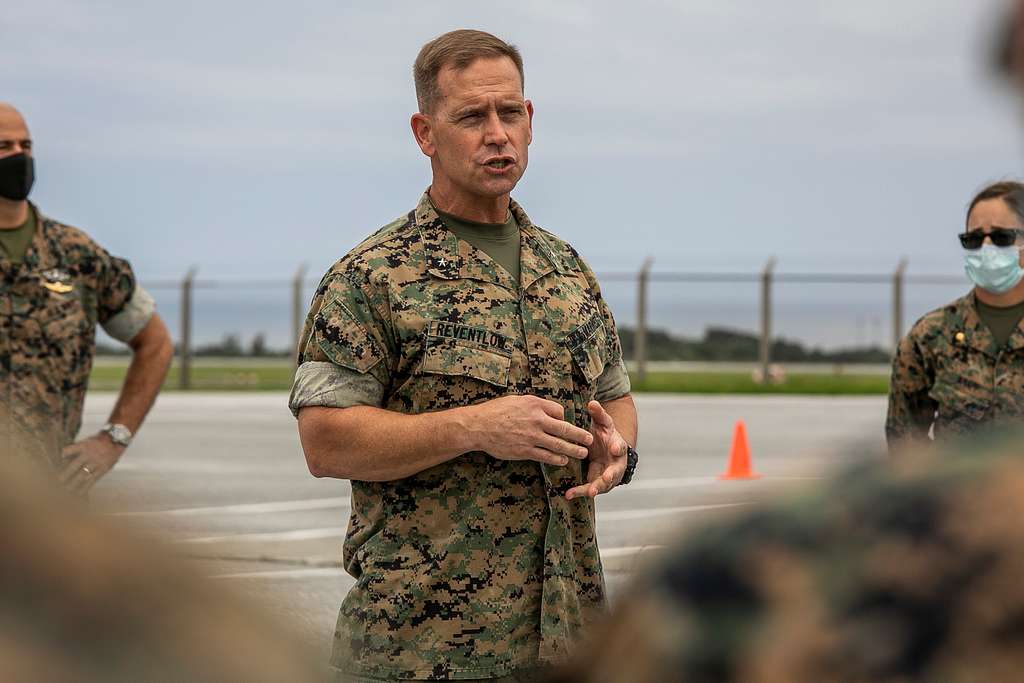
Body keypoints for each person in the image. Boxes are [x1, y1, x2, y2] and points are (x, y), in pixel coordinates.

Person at [290, 29, 639, 682]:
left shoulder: (565, 269)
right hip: (423, 647)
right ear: (426, 133)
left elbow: (615, 395)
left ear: (530, 121)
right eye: (472, 117)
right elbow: (325, 439)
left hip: (568, 638)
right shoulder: (373, 276)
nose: (497, 133)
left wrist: (616, 447)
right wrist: (473, 426)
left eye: (510, 112)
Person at [0, 103, 173, 492]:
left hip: (47, 502)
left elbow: (155, 344)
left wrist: (114, 439)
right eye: (4, 146)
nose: (19, 156)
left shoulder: (74, 254)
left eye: (25, 145)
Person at [886, 181, 1024, 451]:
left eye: (1001, 237)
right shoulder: (930, 336)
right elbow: (904, 441)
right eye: (973, 239)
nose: (986, 249)